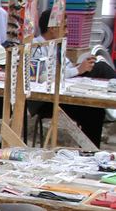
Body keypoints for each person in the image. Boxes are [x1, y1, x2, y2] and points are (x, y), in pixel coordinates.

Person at [29, 9, 116, 147]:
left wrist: (81, 66)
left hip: (63, 91)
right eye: (65, 27)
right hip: (46, 100)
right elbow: (43, 77)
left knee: (97, 69)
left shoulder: (57, 46)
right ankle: (90, 151)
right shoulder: (36, 47)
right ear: (52, 28)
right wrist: (78, 69)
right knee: (99, 71)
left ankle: (91, 151)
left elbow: (67, 67)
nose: (67, 31)